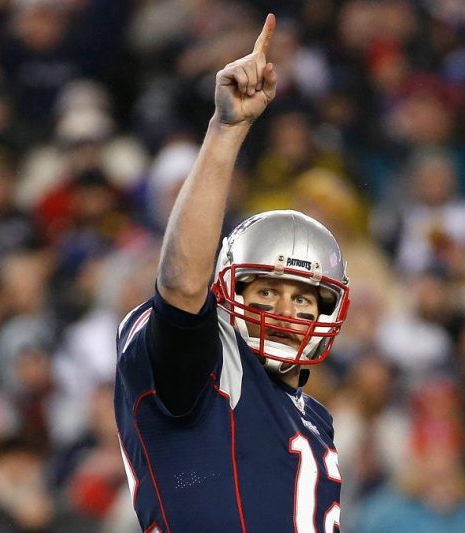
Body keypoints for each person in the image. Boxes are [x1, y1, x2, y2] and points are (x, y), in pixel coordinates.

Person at [114, 14, 351, 532]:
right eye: (267, 290)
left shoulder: (313, 416)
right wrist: (227, 130)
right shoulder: (208, 373)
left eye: (304, 298)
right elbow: (179, 287)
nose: (287, 311)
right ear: (227, 288)